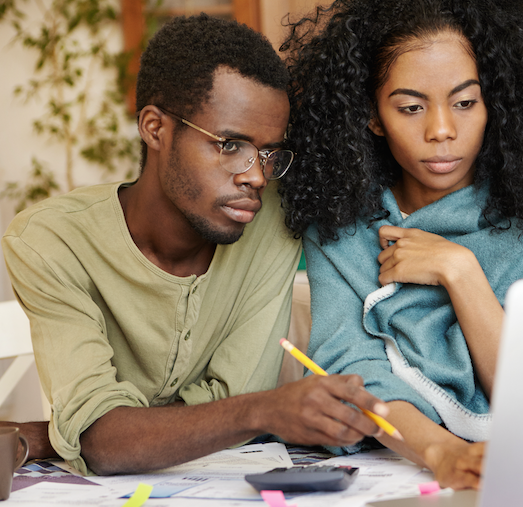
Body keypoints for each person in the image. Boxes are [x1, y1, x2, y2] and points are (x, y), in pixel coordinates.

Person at [0, 14, 390, 476]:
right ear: (155, 128)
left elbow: (226, 405)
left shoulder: (272, 224)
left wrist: (62, 434)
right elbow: (103, 444)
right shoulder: (50, 242)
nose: (256, 175)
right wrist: (260, 410)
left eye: (268, 153)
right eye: (230, 145)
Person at [279, 0, 523, 490]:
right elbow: (354, 373)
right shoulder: (342, 227)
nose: (441, 130)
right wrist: (443, 451)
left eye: (464, 102)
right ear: (373, 117)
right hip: (404, 474)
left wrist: (460, 272)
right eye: (411, 108)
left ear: (493, 104)